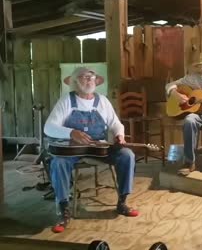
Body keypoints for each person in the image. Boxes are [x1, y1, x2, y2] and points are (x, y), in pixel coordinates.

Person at [44, 67, 138, 233]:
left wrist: (119, 135)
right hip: (72, 151)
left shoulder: (102, 101)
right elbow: (48, 127)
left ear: (96, 81)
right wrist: (71, 132)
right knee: (58, 162)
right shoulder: (67, 100)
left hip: (98, 148)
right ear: (75, 82)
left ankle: (122, 202)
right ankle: (64, 209)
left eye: (91, 77)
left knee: (127, 155)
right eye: (83, 77)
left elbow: (116, 123)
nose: (88, 80)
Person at [165, 52, 202, 176]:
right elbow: (169, 85)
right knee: (189, 120)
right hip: (198, 114)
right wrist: (177, 95)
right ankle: (189, 162)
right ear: (200, 68)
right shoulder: (192, 78)